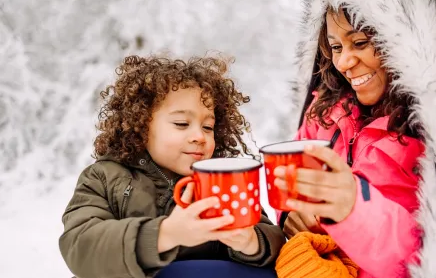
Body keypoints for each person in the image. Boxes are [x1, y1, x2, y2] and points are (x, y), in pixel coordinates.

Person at [59, 55, 285, 278]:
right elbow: (80, 246)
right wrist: (165, 234)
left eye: (208, 127)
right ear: (140, 125)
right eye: (181, 124)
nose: (199, 136)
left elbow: (270, 236)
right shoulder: (103, 178)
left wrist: (251, 242)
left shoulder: (222, 180)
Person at [273, 0, 436, 277]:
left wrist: (352, 209)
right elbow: (289, 186)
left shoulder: (427, 134)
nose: (344, 63)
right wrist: (290, 215)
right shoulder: (324, 111)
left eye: (360, 43)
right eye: (336, 47)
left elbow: (426, 255)